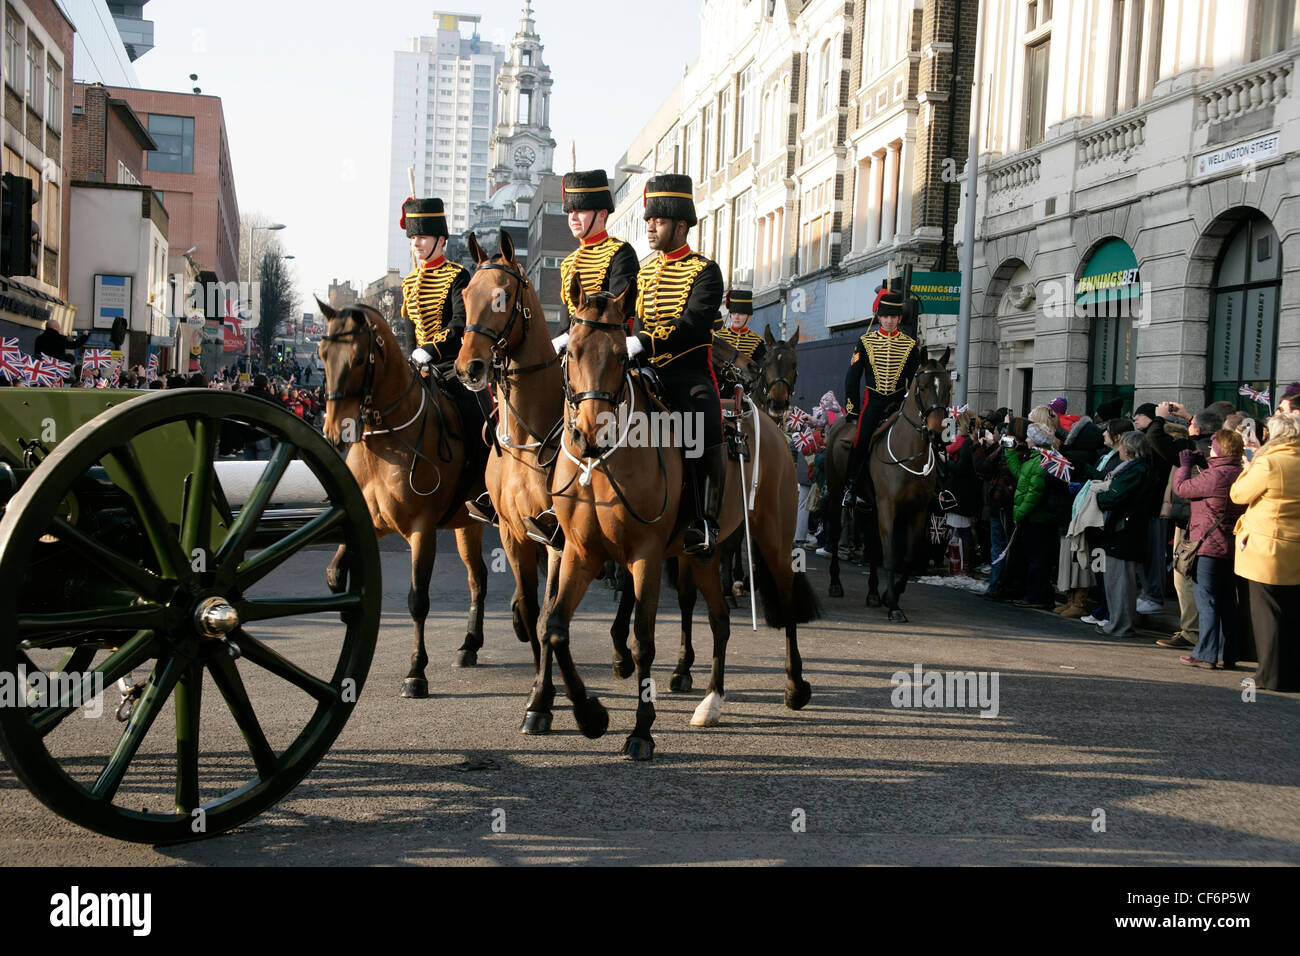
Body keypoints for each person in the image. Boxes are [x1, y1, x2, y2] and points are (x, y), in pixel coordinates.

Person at [517, 170, 641, 546]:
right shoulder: (571, 263)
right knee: (530, 408)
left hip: (612, 354)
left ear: (601, 214)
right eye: (570, 210)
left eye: (581, 209)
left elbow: (617, 308)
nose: (573, 217)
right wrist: (560, 341)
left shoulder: (620, 253)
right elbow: (571, 316)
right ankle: (548, 504)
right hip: (577, 355)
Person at [629, 173, 726, 556]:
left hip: (686, 374)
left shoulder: (705, 271)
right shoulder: (644, 271)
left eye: (659, 221)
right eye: (649, 220)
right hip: (644, 371)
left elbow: (692, 326)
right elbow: (636, 321)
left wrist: (644, 341)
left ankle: (704, 521)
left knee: (704, 421)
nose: (650, 227)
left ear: (681, 225)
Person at [1229, 412, 1300, 691]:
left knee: (1267, 613)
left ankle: (1269, 675)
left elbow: (1239, 494)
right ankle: (1292, 673)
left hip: (1268, 546)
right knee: (1293, 613)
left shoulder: (1269, 463)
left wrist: (1249, 465)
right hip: (1295, 544)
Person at [842, 286, 921, 509]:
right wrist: (852, 410)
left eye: (893, 316)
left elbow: (915, 381)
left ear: (899, 318)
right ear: (879, 317)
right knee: (861, 440)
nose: (889, 320)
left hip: (898, 404)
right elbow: (852, 378)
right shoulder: (865, 342)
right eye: (885, 316)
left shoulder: (910, 345)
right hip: (873, 403)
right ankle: (851, 487)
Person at [1172, 429, 1246, 669]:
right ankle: (1228, 654)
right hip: (1230, 545)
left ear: (1220, 449)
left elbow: (1182, 488)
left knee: (1207, 601)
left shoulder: (1215, 476)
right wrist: (1204, 464)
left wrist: (1184, 465)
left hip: (1207, 546)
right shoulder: (1240, 472)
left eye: (1213, 446)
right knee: (1227, 602)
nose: (1209, 449)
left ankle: (1205, 653)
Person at [1093, 431, 1155, 637]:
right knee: (1120, 581)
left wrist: (1099, 496)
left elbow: (1113, 497)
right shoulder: (1137, 469)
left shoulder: (1134, 471)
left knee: (1119, 582)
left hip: (1125, 531)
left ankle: (1119, 624)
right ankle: (1119, 622)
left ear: (1128, 450)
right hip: (1126, 530)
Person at [1004, 422, 1060, 609]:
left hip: (1037, 518)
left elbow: (1034, 492)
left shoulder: (1041, 460)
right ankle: (1034, 594)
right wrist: (1010, 453)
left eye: (1029, 437)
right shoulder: (1035, 457)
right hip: (1032, 517)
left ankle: (1036, 596)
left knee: (1038, 559)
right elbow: (1021, 475)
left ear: (1035, 440)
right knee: (1033, 557)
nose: (1026, 439)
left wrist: (1019, 514)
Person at [714, 288, 766, 379]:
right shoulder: (719, 337)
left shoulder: (757, 342)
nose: (736, 317)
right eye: (734, 314)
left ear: (749, 317)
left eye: (741, 314)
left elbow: (760, 372)